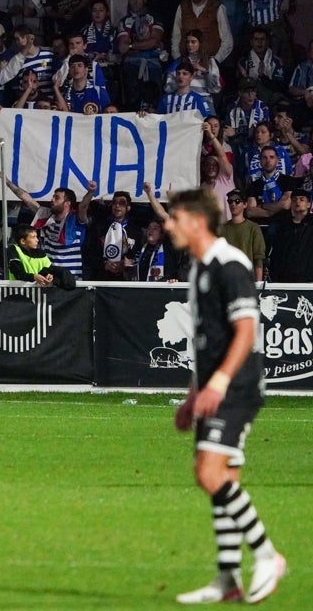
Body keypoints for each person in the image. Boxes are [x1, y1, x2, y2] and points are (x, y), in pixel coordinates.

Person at [165, 188, 285, 605]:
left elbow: (246, 331)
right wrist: (192, 393)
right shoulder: (199, 267)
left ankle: (268, 556)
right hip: (214, 386)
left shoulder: (230, 264)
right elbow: (206, 340)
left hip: (235, 387)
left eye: (174, 218)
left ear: (196, 222)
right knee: (223, 481)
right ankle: (228, 578)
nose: (167, 225)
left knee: (208, 474)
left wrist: (217, 384)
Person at [6, 224, 76, 288]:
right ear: (23, 241)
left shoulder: (40, 253)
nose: (37, 240)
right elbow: (18, 273)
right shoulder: (13, 250)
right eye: (33, 237)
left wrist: (49, 275)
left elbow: (49, 269)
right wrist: (34, 277)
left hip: (38, 295)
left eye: (36, 237)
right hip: (17, 295)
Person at [267, 187, 313, 282]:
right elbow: (276, 253)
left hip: (309, 278)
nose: (298, 202)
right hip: (285, 279)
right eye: (294, 199)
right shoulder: (281, 225)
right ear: (291, 203)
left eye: (302, 199)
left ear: (308, 204)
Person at [218, 191, 265, 282]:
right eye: (230, 201)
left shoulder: (253, 228)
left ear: (245, 205)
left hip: (247, 280)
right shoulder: (222, 229)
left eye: (237, 201)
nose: (233, 204)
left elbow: (258, 258)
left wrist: (258, 283)